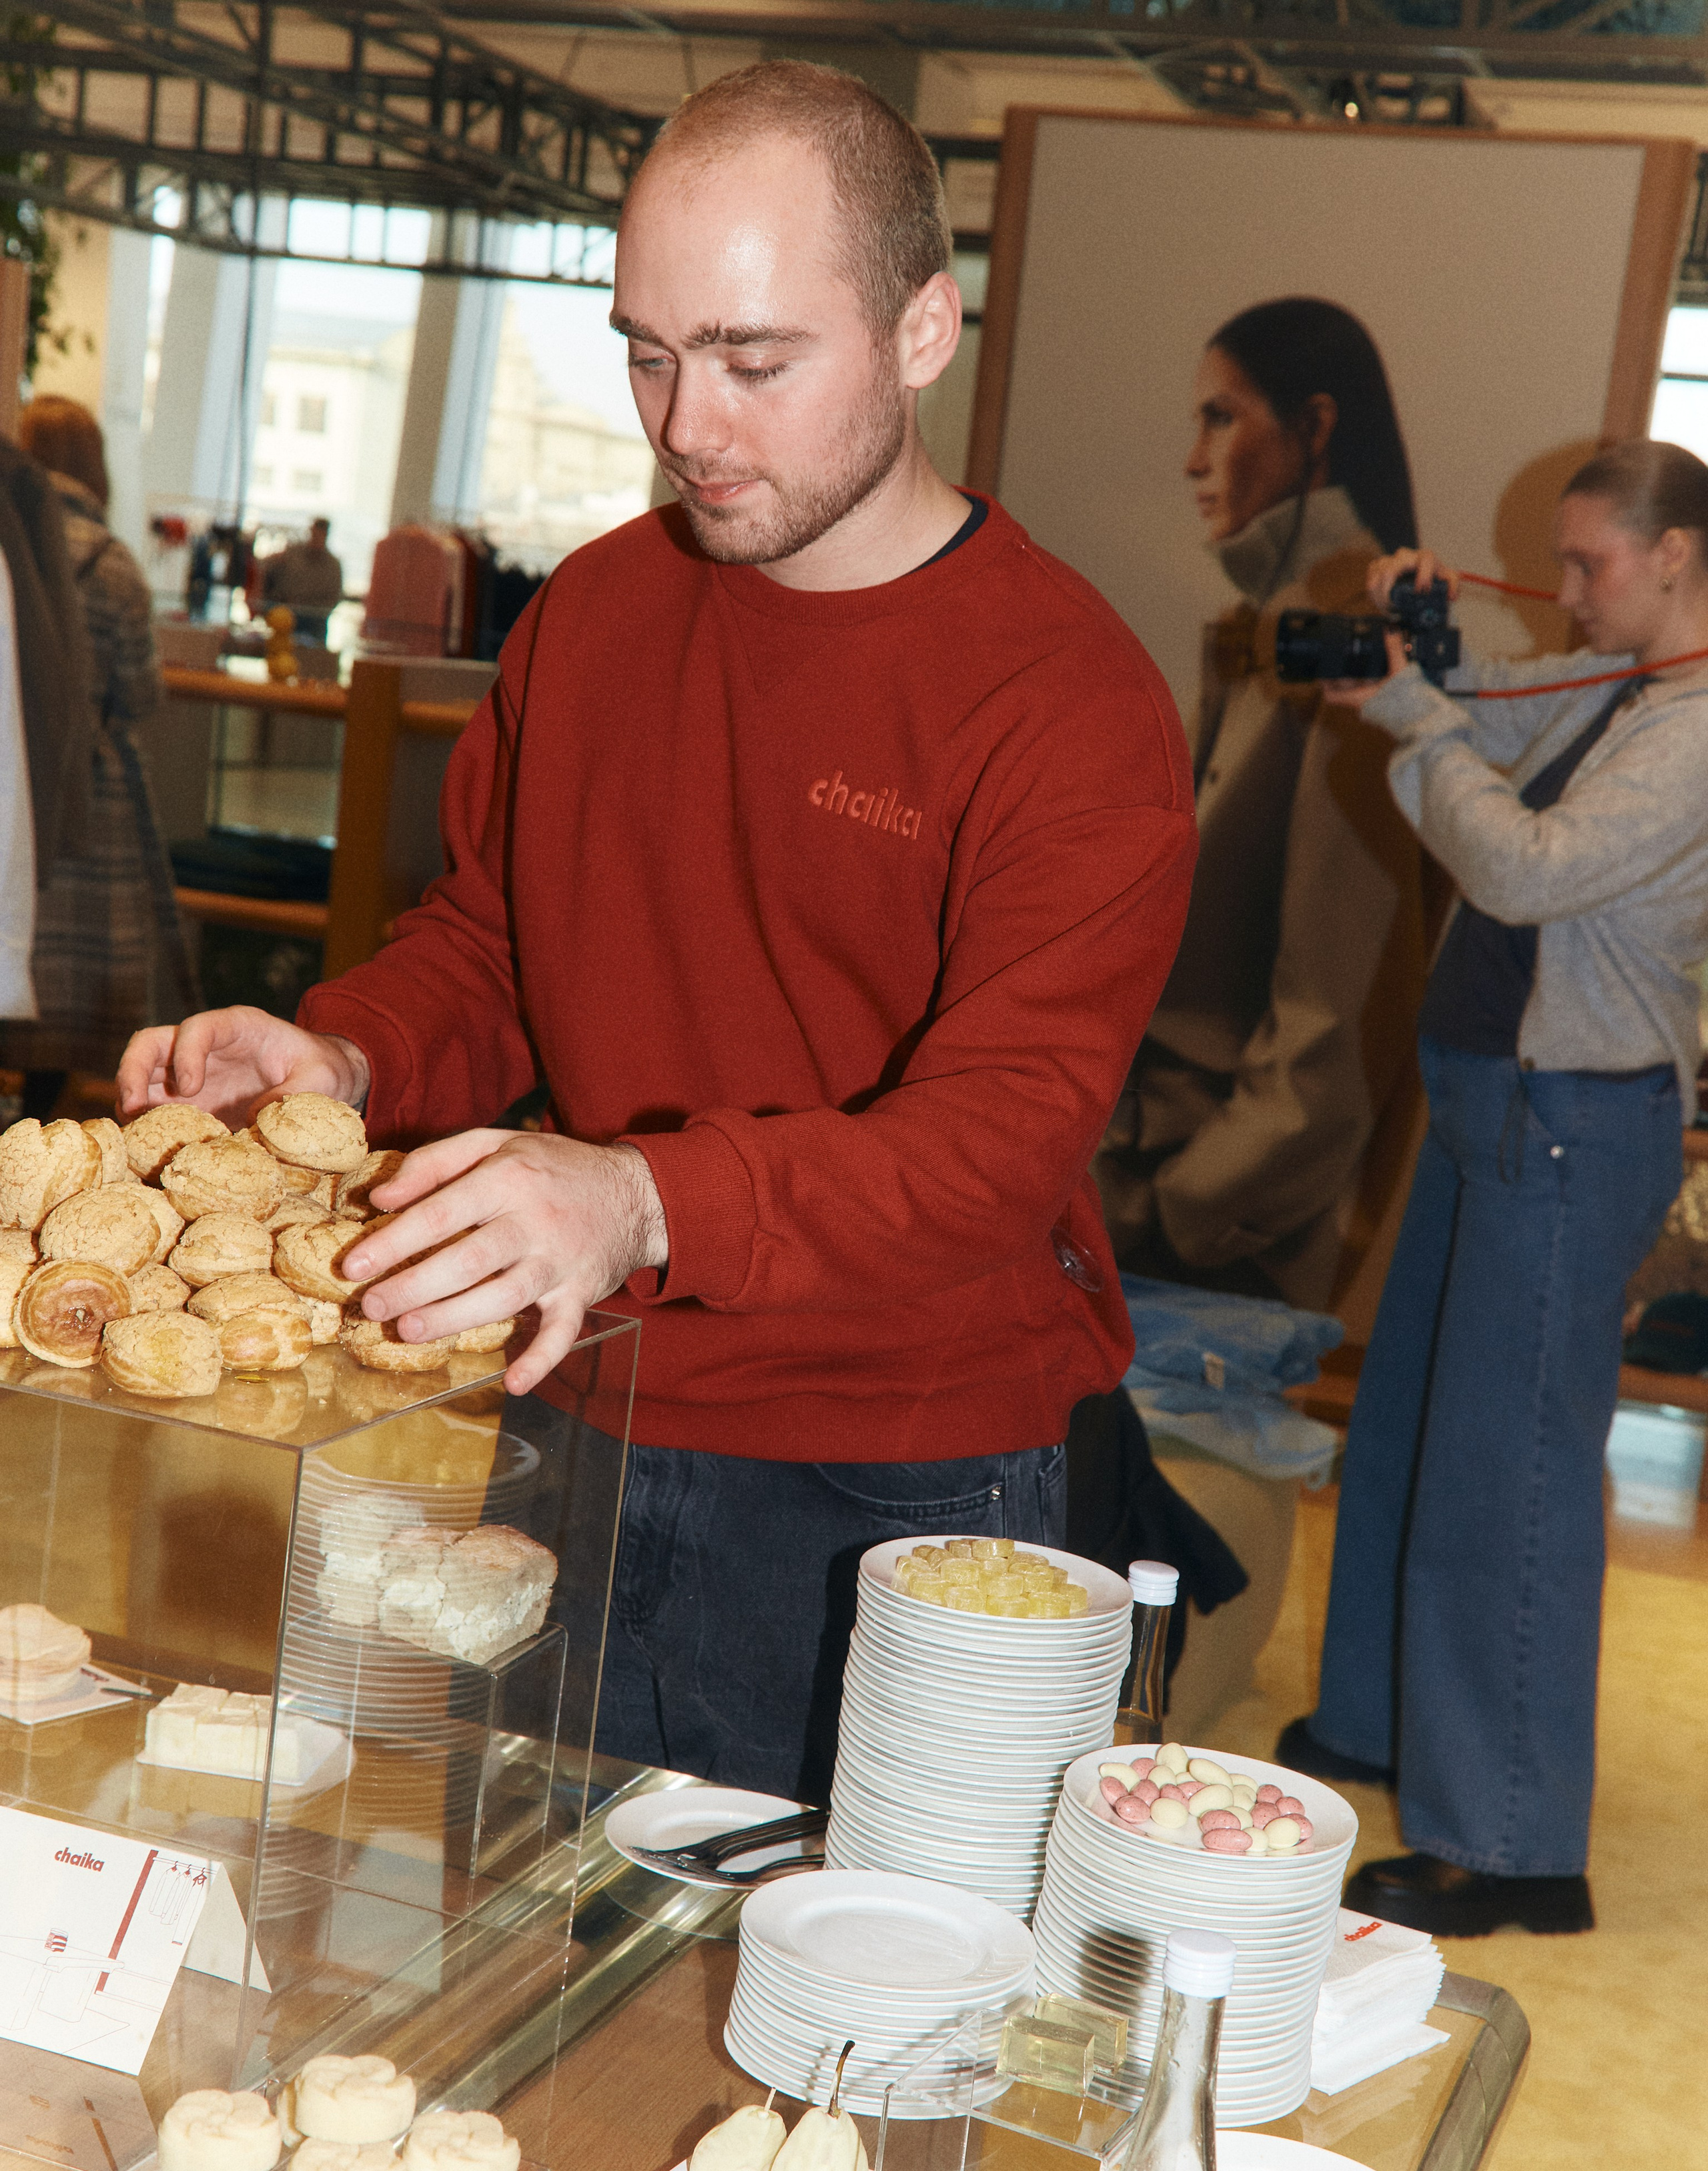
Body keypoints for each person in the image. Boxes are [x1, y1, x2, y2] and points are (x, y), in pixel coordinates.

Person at [117, 63, 1196, 1801]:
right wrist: (348, 1048)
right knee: (528, 1973)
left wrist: (637, 1195)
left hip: (899, 1468)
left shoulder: (1065, 700)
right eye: (646, 348)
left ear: (926, 329)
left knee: (853, 2026)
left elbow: (1000, 1138)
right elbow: (504, 937)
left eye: (757, 359)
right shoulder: (603, 612)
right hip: (585, 1407)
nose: (689, 421)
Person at [1280, 438, 1708, 1936]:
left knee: (1505, 1480)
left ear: (1673, 556)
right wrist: (1421, 658)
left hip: (1572, 1121)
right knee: (1401, 1432)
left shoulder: (1694, 724)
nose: (1566, 588)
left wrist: (1410, 713)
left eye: (1588, 564)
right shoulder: (1620, 686)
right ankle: (1387, 1723)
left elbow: (1522, 866)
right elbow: (1483, 732)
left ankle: (1511, 1839)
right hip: (1493, 1100)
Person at [1096, 299, 1432, 1307]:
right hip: (1160, 1193)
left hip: (1206, 1227)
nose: (1192, 459)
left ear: (1317, 428)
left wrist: (1183, 1209)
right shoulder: (1272, 627)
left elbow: (1337, 1010)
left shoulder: (1354, 646)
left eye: (1222, 418)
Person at [0, 397, 197, 1121]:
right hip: (97, 794)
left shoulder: (9, 534)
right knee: (74, 981)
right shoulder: (112, 564)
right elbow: (141, 693)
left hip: (13, 788)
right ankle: (43, 1123)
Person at [262, 518, 343, 644]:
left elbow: (333, 598)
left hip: (315, 620)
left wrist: (313, 608)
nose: (316, 538)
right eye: (314, 534)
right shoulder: (293, 554)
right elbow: (270, 575)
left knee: (313, 653)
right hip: (286, 615)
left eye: (320, 535)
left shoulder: (333, 565)